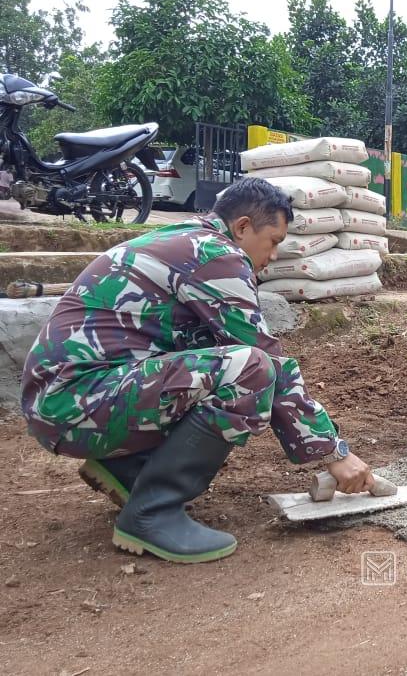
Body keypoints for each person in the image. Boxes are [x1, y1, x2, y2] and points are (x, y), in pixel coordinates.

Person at [20, 178, 374, 563]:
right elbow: (266, 357)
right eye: (273, 241)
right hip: (75, 403)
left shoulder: (186, 241)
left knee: (214, 357)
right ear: (242, 227)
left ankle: (128, 470)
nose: (273, 255)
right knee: (250, 370)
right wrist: (333, 451)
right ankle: (151, 514)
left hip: (68, 399)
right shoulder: (215, 256)